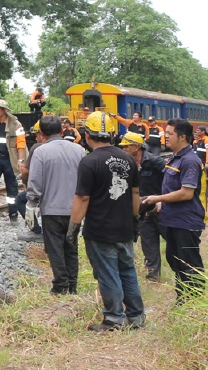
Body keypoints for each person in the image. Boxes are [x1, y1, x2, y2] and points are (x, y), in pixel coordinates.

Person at [69, 111, 144, 332]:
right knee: (127, 270)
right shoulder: (129, 159)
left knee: (108, 272)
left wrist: (72, 228)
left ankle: (114, 319)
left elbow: (82, 198)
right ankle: (137, 316)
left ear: (87, 134)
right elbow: (135, 193)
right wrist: (134, 221)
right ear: (111, 134)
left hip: (100, 230)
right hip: (124, 228)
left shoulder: (89, 162)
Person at [142, 118, 205, 303]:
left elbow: (186, 193)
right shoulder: (174, 157)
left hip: (185, 221)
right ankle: (183, 297)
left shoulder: (190, 161)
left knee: (189, 264)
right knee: (174, 259)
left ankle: (194, 302)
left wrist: (158, 198)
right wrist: (160, 204)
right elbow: (172, 190)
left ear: (183, 137)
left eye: (170, 134)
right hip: (172, 219)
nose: (165, 137)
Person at [25, 116, 85, 294]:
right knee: (71, 246)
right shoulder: (79, 150)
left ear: (42, 133)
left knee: (55, 248)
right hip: (75, 208)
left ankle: (60, 286)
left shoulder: (41, 152)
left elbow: (35, 182)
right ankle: (72, 286)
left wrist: (31, 205)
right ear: (61, 130)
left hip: (51, 209)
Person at [119, 131, 166, 280]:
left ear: (135, 147)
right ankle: (153, 274)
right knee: (148, 241)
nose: (123, 149)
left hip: (160, 207)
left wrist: (162, 199)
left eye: (126, 146)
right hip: (143, 209)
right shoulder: (125, 164)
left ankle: (182, 269)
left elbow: (170, 181)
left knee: (171, 239)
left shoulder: (155, 162)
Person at [16, 121, 45, 243]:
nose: (36, 138)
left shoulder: (37, 148)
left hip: (43, 190)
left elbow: (26, 172)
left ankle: (36, 231)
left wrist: (27, 185)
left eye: (36, 135)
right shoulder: (69, 146)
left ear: (41, 134)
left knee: (21, 200)